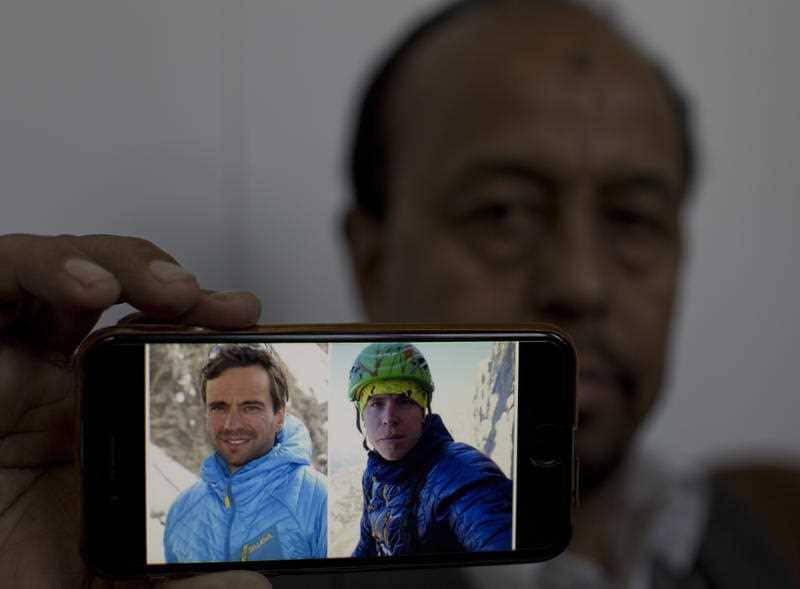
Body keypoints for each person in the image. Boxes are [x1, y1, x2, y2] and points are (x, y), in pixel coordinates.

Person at [0, 0, 795, 587]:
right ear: (370, 255)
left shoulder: (748, 529)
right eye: (504, 212)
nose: (581, 281)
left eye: (634, 218)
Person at [163, 343, 327, 562]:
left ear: (279, 416)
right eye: (219, 407)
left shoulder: (319, 500)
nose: (232, 424)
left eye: (250, 407)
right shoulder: (181, 512)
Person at [347, 343, 511, 556]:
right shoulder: (375, 474)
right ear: (361, 415)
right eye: (376, 403)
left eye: (404, 401)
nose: (389, 419)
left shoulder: (460, 473)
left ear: (423, 411)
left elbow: (497, 539)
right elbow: (367, 547)